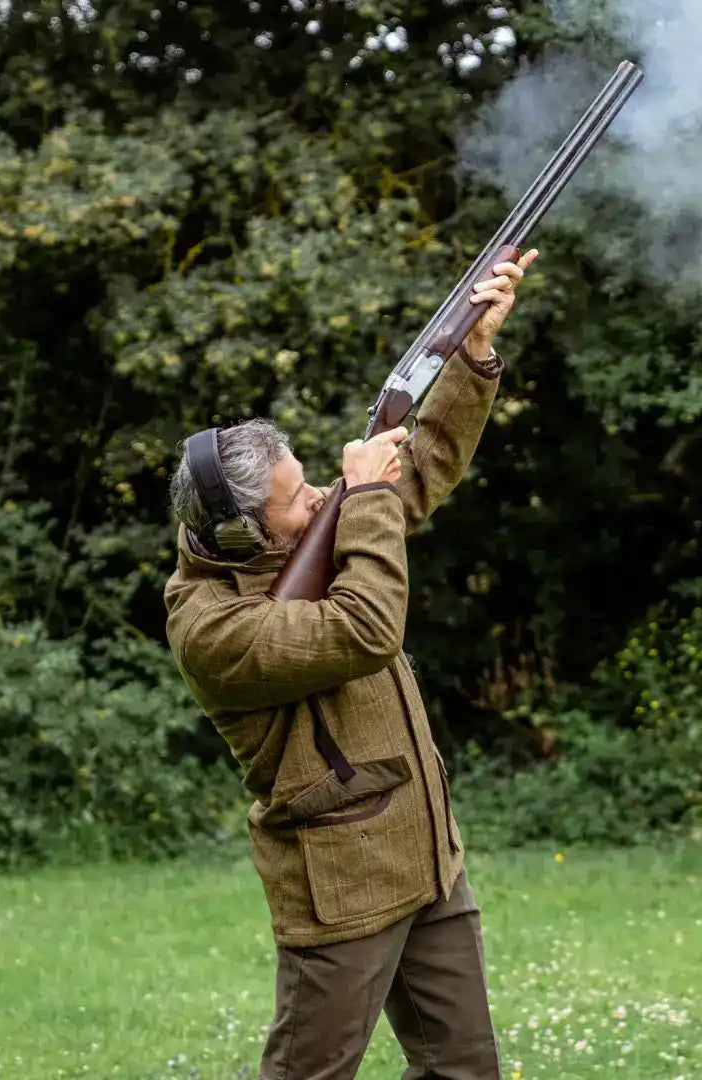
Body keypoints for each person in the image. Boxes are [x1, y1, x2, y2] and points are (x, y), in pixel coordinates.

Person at [164, 249, 539, 1080]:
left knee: (464, 1072)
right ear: (243, 533)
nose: (320, 502)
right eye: (301, 500)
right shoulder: (211, 628)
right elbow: (365, 627)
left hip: (427, 856)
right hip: (339, 884)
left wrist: (474, 355)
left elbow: (425, 469)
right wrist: (364, 498)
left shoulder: (312, 537)